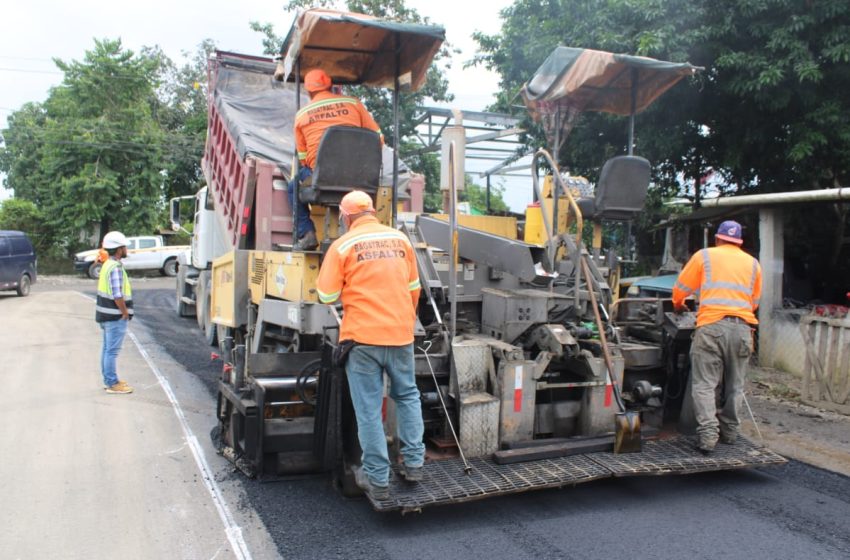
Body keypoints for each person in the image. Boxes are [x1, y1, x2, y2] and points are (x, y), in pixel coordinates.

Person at [316, 190, 424, 500]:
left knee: (368, 411)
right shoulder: (402, 241)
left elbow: (325, 297)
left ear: (346, 217)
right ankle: (414, 463)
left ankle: (379, 482)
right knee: (408, 396)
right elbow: (414, 289)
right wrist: (402, 320)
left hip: (361, 340)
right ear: (374, 212)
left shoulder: (342, 246)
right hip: (401, 335)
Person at [672, 220, 762, 454]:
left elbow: (681, 289)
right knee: (735, 385)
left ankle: (709, 435)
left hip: (711, 327)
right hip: (743, 329)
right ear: (739, 241)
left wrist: (679, 306)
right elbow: (754, 302)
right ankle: (730, 432)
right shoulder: (753, 264)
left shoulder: (705, 256)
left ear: (718, 238)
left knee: (705, 384)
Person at [289, 69, 384, 251]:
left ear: (308, 91)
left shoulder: (302, 115)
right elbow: (378, 138)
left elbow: (303, 159)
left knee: (293, 188)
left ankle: (307, 234)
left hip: (323, 177)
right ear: (331, 86)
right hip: (360, 177)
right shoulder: (353, 103)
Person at [96, 231, 135, 394]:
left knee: (107, 349)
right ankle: (112, 383)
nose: (126, 250)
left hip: (105, 315)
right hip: (114, 316)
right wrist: (125, 312)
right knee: (111, 351)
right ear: (119, 249)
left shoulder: (107, 264)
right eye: (125, 247)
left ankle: (109, 380)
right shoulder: (115, 267)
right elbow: (117, 294)